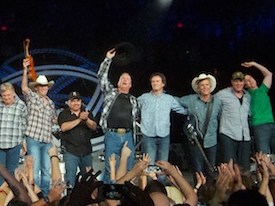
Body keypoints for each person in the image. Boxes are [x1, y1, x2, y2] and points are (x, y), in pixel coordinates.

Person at [97, 46, 139, 181]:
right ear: (118, 82)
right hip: (112, 135)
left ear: (130, 84)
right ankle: (108, 196)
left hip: (127, 135)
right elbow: (101, 77)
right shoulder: (111, 93)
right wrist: (108, 60)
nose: (125, 79)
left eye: (127, 78)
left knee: (128, 167)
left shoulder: (134, 100)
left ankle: (126, 196)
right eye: (122, 78)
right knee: (110, 167)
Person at [21, 60, 57, 196]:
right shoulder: (32, 97)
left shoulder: (51, 104)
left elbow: (53, 121)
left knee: (46, 170)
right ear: (36, 87)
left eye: (45, 86)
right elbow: (24, 88)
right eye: (41, 86)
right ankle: (34, 195)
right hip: (34, 139)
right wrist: (25, 71)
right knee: (34, 169)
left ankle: (46, 196)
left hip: (46, 140)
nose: (43, 88)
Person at [241, 60, 275, 168]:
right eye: (246, 80)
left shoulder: (262, 90)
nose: (250, 80)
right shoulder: (246, 94)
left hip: (272, 124)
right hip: (259, 125)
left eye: (250, 78)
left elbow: (269, 74)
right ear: (245, 85)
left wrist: (254, 64)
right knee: (263, 155)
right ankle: (265, 180)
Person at [0, 82, 27, 191]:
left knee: (12, 172)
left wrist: (24, 141)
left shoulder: (21, 105)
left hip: (14, 144)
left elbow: (24, 124)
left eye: (8, 95)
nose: (6, 98)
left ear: (13, 93)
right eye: (4, 96)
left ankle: (11, 198)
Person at [136, 72, 187, 164]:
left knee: (163, 165)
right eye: (153, 81)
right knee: (149, 165)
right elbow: (133, 107)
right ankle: (150, 178)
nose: (155, 83)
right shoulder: (144, 98)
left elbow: (181, 109)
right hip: (148, 135)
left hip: (164, 135)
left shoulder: (169, 99)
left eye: (157, 81)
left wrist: (194, 111)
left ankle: (161, 179)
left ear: (163, 84)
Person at [180, 72, 221, 177]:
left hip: (211, 141)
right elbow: (176, 102)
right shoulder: (191, 99)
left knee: (211, 170)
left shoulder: (218, 101)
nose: (205, 87)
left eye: (207, 85)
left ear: (210, 86)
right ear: (198, 88)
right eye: (202, 85)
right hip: (196, 141)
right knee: (198, 171)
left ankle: (210, 192)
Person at [57, 91, 98, 187]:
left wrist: (86, 119)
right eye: (73, 101)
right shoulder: (64, 114)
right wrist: (79, 119)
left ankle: (88, 200)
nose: (76, 103)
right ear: (68, 102)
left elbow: (94, 126)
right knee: (70, 178)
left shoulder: (87, 113)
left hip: (86, 152)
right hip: (71, 151)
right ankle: (69, 200)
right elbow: (64, 127)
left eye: (78, 100)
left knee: (88, 179)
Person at [214, 70, 252, 170]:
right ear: (231, 82)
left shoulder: (248, 96)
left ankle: (244, 185)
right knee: (229, 165)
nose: (238, 84)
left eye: (240, 81)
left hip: (244, 136)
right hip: (228, 133)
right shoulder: (222, 94)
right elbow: (212, 103)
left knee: (244, 168)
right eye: (236, 81)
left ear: (244, 82)